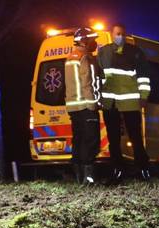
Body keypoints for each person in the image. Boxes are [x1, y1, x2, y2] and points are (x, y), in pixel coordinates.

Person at [98, 23, 152, 182]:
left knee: (135, 137)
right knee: (113, 139)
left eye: (121, 33)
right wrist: (100, 98)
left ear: (125, 34)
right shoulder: (103, 52)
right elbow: (99, 76)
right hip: (110, 102)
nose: (119, 36)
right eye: (116, 33)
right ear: (111, 34)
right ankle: (117, 170)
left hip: (130, 102)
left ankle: (143, 169)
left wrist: (143, 96)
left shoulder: (136, 53)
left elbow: (143, 77)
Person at [65, 27, 101, 185]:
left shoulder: (70, 57)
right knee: (90, 141)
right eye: (93, 39)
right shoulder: (85, 58)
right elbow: (89, 83)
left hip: (74, 108)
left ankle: (79, 178)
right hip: (86, 107)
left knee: (78, 141)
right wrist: (94, 105)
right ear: (85, 41)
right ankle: (89, 178)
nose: (95, 43)